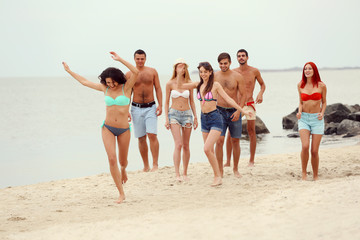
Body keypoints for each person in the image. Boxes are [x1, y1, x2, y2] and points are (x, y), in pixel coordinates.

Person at [62, 51, 139, 204]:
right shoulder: (105, 89)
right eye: (107, 82)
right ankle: (121, 193)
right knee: (112, 159)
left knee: (123, 161)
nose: (110, 84)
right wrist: (69, 71)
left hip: (124, 129)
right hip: (108, 128)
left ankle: (123, 170)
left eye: (112, 82)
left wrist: (120, 59)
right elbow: (84, 82)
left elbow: (136, 71)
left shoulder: (127, 87)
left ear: (117, 79)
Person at [178, 62, 252, 186]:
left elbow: (229, 99)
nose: (203, 74)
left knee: (206, 149)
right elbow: (180, 85)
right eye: (201, 72)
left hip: (215, 118)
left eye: (205, 72)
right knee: (209, 151)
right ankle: (217, 175)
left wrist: (242, 110)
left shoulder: (215, 85)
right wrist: (180, 73)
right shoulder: (198, 85)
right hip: (204, 119)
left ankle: (218, 176)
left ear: (210, 72)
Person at [126, 49, 163, 172]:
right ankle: (146, 165)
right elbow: (127, 93)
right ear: (134, 59)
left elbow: (158, 88)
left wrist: (161, 105)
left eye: (142, 59)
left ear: (145, 59)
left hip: (151, 107)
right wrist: (126, 110)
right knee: (141, 138)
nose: (140, 61)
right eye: (138, 59)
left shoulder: (152, 71)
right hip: (136, 108)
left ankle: (155, 164)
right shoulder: (129, 74)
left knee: (152, 134)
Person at [164, 58, 198, 182]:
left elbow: (192, 102)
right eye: (179, 67)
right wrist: (166, 118)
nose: (181, 69)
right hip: (174, 115)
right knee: (178, 144)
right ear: (175, 68)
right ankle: (177, 174)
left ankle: (185, 173)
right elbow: (166, 102)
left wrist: (195, 117)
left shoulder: (189, 83)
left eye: (183, 67)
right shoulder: (170, 83)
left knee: (186, 145)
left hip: (187, 114)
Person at [214, 53, 246, 178]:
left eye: (225, 63)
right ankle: (220, 170)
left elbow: (243, 95)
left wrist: (239, 111)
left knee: (235, 140)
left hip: (234, 111)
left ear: (230, 63)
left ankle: (236, 169)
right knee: (219, 141)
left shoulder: (237, 76)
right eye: (221, 63)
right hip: (219, 111)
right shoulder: (215, 76)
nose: (223, 66)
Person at [233, 49, 266, 166]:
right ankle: (227, 161)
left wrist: (260, 93)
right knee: (231, 132)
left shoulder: (254, 71)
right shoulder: (233, 72)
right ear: (236, 58)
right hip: (237, 105)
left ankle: (251, 160)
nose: (241, 57)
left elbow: (262, 84)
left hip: (250, 104)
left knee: (251, 131)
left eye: (243, 56)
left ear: (247, 57)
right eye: (239, 56)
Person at [296, 62, 327, 181]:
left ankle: (315, 175)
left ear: (314, 71)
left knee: (314, 150)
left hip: (317, 119)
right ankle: (304, 174)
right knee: (305, 146)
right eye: (305, 69)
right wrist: (299, 112)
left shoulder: (322, 86)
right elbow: (300, 101)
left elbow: (324, 102)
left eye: (309, 69)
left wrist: (322, 113)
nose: (307, 71)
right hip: (303, 118)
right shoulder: (300, 85)